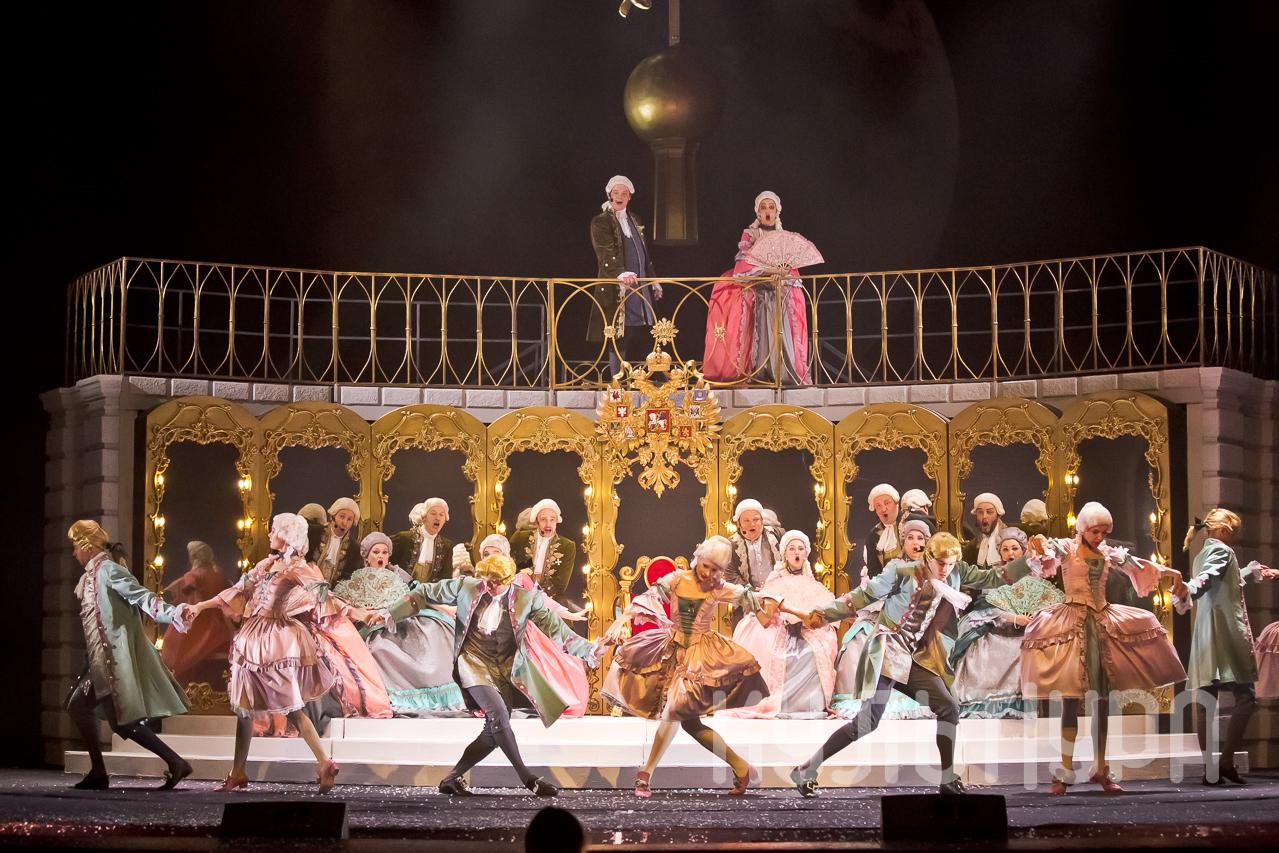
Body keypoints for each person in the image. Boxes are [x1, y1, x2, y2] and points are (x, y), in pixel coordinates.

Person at [380, 554, 598, 796]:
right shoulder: (467, 586)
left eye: (496, 581)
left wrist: (588, 650)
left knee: (493, 732)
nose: (490, 585)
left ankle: (451, 779)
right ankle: (529, 780)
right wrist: (394, 612)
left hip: (503, 670)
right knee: (499, 715)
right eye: (487, 580)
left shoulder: (526, 599)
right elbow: (425, 592)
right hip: (471, 662)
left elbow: (556, 629)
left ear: (509, 580)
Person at [792, 532, 989, 797]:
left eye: (950, 564)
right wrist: (824, 615)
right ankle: (806, 769)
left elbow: (994, 577)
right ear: (928, 557)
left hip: (913, 659)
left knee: (948, 706)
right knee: (866, 723)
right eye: (940, 563)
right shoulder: (902, 572)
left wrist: (1032, 561)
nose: (945, 569)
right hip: (888, 654)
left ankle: (948, 780)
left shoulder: (955, 574)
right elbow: (862, 596)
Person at [1019, 502, 1188, 795]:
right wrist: (1038, 548)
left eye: (1103, 532)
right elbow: (1043, 557)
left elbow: (1138, 565)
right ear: (1083, 528)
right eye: (1094, 531)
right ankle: (1065, 770)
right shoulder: (1067, 548)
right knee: (1070, 700)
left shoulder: (1108, 553)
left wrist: (1170, 573)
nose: (1099, 537)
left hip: (1101, 625)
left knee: (1102, 702)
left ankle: (1101, 767)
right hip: (1073, 623)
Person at [183, 513, 345, 793]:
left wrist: (358, 612)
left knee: (291, 709)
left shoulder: (297, 568)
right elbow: (235, 591)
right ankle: (240, 770)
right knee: (246, 706)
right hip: (253, 641)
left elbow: (324, 596)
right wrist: (199, 607)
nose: (270, 534)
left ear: (287, 535)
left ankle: (323, 761)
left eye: (274, 530)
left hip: (273, 642)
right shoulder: (266, 564)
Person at [602, 536, 774, 797]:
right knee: (690, 724)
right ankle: (740, 766)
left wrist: (790, 607)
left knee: (673, 712)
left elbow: (756, 598)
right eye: (706, 566)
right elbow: (647, 598)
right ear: (698, 559)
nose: (709, 573)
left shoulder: (719, 588)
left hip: (697, 659)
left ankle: (645, 774)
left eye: (716, 570)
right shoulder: (677, 578)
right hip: (672, 650)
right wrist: (620, 621)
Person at [64, 521, 193, 791]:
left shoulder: (109, 571)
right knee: (78, 705)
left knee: (122, 723)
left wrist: (173, 613)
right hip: (98, 662)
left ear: (87, 546)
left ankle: (175, 762)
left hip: (112, 663)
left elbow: (142, 597)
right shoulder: (91, 576)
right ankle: (99, 771)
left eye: (76, 546)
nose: (74, 553)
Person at [1175, 509, 1277, 784]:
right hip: (1225, 632)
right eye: (1236, 533)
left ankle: (1212, 769)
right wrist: (1189, 589)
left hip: (1207, 632)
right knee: (1246, 697)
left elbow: (1221, 579)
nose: (1237, 538)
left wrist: (1250, 572)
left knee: (1206, 701)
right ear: (1223, 531)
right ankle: (1225, 761)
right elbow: (1207, 578)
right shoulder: (1222, 551)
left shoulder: (1203, 553)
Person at [334, 532, 466, 717]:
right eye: (376, 552)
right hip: (376, 623)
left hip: (402, 617)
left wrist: (445, 608)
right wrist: (361, 610)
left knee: (435, 629)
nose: (380, 556)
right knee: (380, 647)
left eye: (384, 552)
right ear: (366, 556)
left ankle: (437, 688)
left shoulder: (397, 574)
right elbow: (345, 604)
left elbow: (419, 594)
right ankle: (396, 695)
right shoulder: (356, 580)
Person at [950, 527, 1065, 718]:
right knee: (984, 649)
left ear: (1023, 551)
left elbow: (1050, 609)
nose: (1010, 553)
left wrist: (1035, 619)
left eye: (1014, 548)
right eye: (1005, 549)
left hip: (1029, 635)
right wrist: (1014, 618)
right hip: (999, 631)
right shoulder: (997, 577)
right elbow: (987, 609)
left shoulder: (1037, 578)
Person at [723, 530, 837, 718]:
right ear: (784, 553)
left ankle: (806, 704)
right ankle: (773, 699)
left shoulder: (811, 580)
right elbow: (768, 608)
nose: (796, 552)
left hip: (805, 629)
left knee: (816, 649)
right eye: (792, 549)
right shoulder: (776, 577)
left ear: (806, 553)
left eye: (800, 549)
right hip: (778, 625)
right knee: (768, 647)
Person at [830, 517, 934, 721]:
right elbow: (873, 591)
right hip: (894, 624)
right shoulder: (895, 566)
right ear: (903, 542)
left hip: (920, 627)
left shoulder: (932, 570)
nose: (915, 542)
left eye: (920, 538)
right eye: (910, 538)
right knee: (862, 636)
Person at [702, 191, 810, 385]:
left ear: (777, 211)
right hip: (757, 287)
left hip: (778, 291)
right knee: (754, 325)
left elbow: (789, 266)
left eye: (771, 207)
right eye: (763, 207)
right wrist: (769, 271)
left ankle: (781, 370)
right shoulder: (750, 234)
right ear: (758, 212)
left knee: (780, 327)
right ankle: (755, 370)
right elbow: (745, 262)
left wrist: (782, 273)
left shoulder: (783, 236)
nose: (767, 211)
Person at [589, 175, 662, 373]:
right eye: (616, 193)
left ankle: (654, 374)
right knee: (620, 332)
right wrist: (620, 273)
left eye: (624, 193)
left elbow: (644, 254)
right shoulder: (601, 221)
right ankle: (617, 378)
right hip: (619, 286)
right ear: (609, 195)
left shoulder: (635, 220)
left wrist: (653, 280)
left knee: (650, 329)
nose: (620, 196)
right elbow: (605, 253)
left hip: (640, 285)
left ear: (629, 197)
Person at [160, 540, 232, 686]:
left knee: (172, 646)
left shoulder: (192, 576)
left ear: (193, 557)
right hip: (220, 626)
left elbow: (195, 600)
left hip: (201, 624)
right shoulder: (219, 573)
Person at [508, 499, 578, 607]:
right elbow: (508, 565)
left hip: (550, 598)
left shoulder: (567, 546)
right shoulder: (521, 538)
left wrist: (539, 598)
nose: (548, 524)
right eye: (543, 519)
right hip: (520, 593)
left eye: (552, 519)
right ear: (537, 521)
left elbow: (560, 584)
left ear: (556, 521)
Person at [390, 498, 454, 583]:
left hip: (429, 591)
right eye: (433, 513)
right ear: (424, 517)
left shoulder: (447, 545)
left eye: (441, 515)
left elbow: (446, 577)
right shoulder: (404, 538)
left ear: (445, 520)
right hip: (401, 588)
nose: (438, 518)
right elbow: (388, 564)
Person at [724, 498, 781, 592]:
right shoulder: (730, 546)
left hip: (778, 594)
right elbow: (732, 577)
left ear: (762, 521)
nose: (752, 524)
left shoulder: (777, 535)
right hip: (747, 597)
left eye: (756, 519)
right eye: (746, 520)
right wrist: (754, 595)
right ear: (738, 524)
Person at [853, 484, 901, 590]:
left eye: (887, 503)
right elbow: (873, 571)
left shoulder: (910, 524)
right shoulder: (872, 536)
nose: (883, 509)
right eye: (878, 506)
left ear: (896, 503)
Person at [308, 497, 363, 584]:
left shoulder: (354, 548)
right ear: (333, 515)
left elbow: (350, 576)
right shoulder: (314, 532)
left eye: (349, 519)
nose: (344, 522)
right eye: (342, 516)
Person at [963, 493, 1007, 568]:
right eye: (980, 512)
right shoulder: (973, 546)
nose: (984, 516)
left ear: (998, 515)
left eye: (989, 512)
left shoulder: (1011, 540)